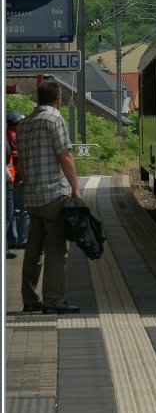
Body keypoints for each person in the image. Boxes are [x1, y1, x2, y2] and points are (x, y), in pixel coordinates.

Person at [15, 80, 82, 314]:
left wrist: (29, 183)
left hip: (33, 197)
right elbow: (64, 155)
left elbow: (20, 162)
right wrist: (75, 189)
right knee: (55, 249)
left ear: (38, 98)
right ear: (58, 98)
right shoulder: (55, 119)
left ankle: (30, 299)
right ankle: (53, 300)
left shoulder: (24, 123)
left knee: (33, 250)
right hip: (54, 194)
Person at [7, 111, 29, 250]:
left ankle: (12, 239)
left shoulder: (7, 135)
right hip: (17, 178)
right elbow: (19, 160)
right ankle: (23, 239)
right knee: (24, 211)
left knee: (13, 211)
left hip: (10, 179)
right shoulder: (15, 136)